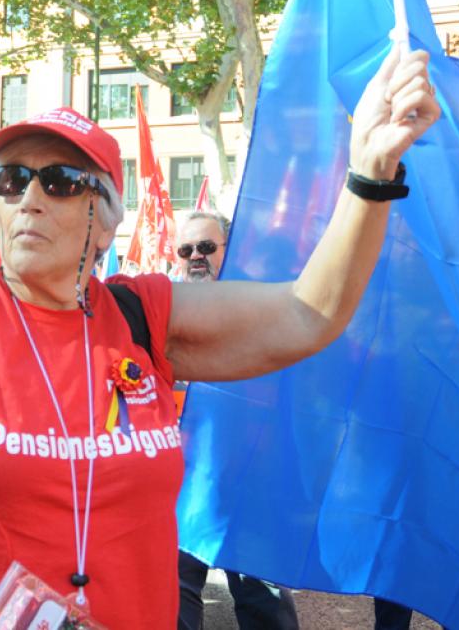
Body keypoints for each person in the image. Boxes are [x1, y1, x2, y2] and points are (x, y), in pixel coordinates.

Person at [0, 48, 442, 628]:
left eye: (58, 181)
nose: (29, 197)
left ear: (106, 217)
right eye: (11, 178)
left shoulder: (145, 315)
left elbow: (308, 315)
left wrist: (369, 175)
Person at [174, 211, 298, 630]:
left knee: (263, 607)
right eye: (186, 249)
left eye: (206, 247)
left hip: (249, 483)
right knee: (174, 600)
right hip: (182, 487)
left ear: (231, 249)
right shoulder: (162, 314)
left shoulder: (258, 306)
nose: (196, 257)